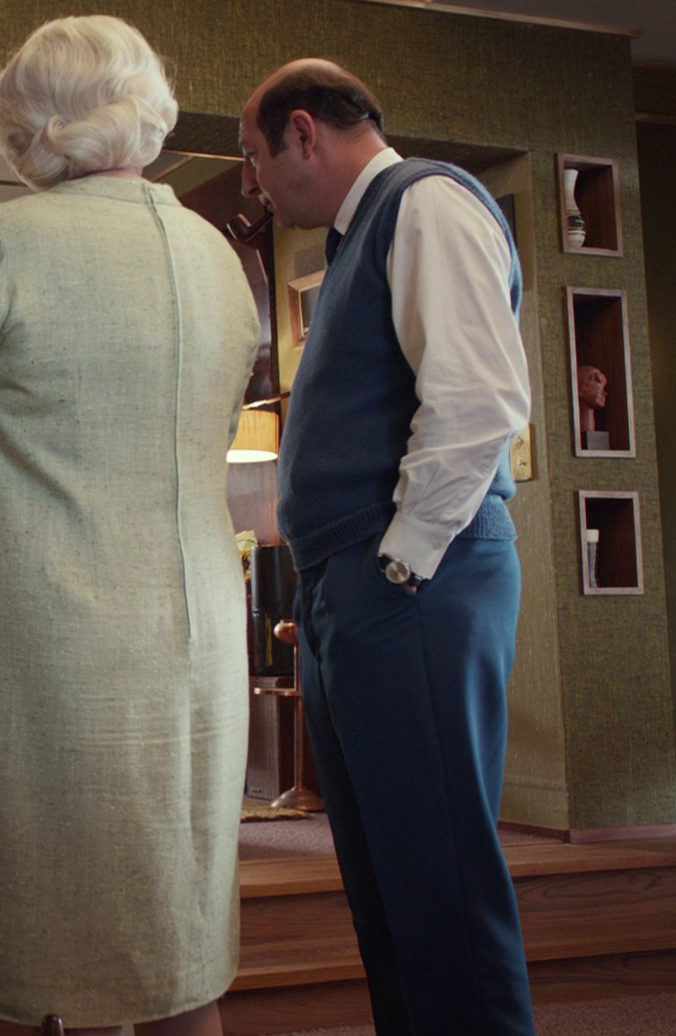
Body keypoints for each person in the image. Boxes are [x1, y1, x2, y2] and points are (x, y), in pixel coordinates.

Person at [0, 15, 260, 1036]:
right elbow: (213, 435)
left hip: (52, 619)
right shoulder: (217, 256)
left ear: (27, 124)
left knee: (51, 902)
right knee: (174, 902)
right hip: (198, 618)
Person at [239, 59, 535, 1035]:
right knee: (388, 891)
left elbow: (477, 401)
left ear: (303, 132)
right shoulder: (359, 235)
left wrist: (399, 565)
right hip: (354, 588)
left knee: (440, 882)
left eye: (252, 156)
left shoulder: (426, 202)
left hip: (409, 580)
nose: (253, 183)